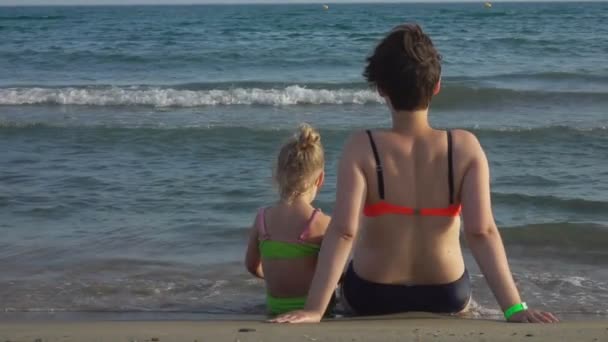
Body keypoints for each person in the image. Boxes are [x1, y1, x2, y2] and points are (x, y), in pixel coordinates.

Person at [270, 24, 558, 323]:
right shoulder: (464, 147)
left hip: (372, 294)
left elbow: (343, 232)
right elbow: (481, 231)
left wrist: (315, 309)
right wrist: (515, 309)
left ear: (381, 89)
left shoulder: (363, 147)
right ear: (437, 86)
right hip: (446, 294)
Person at [245, 123, 331, 316]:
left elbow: (251, 266)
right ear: (320, 179)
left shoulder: (262, 219)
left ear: (276, 175)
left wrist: (275, 275)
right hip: (315, 311)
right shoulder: (322, 223)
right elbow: (336, 273)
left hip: (275, 309)